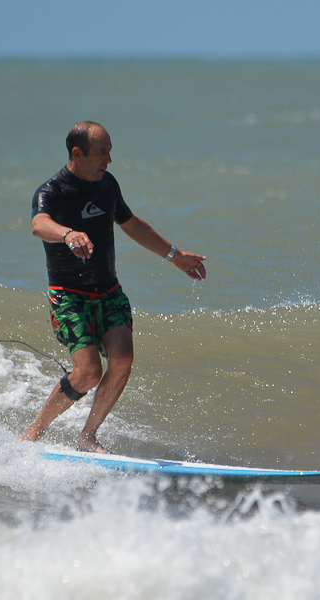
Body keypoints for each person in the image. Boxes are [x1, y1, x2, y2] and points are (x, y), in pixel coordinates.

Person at [20, 121, 207, 453]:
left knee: (122, 359)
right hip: (69, 297)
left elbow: (131, 224)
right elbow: (38, 224)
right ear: (78, 153)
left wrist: (175, 256)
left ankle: (87, 437)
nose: (109, 159)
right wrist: (67, 233)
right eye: (102, 152)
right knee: (89, 372)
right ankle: (35, 430)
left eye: (109, 151)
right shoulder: (53, 191)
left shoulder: (107, 185)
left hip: (109, 293)